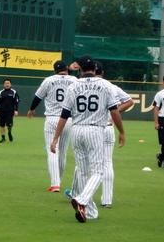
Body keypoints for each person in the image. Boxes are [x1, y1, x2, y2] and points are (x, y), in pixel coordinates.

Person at [50, 55, 125, 223]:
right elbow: (114, 111)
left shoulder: (73, 85)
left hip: (76, 130)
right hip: (95, 130)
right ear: (95, 69)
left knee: (83, 171)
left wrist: (55, 138)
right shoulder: (105, 85)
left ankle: (89, 211)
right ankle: (82, 200)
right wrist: (121, 131)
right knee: (98, 171)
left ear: (81, 69)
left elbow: (64, 115)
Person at [27, 60, 78, 192]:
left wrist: (32, 109)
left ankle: (55, 184)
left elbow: (38, 97)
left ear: (55, 70)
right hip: (68, 119)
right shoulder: (74, 80)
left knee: (52, 151)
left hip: (52, 118)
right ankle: (58, 180)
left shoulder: (49, 80)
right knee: (62, 152)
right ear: (66, 69)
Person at [96, 61, 134, 207]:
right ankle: (107, 200)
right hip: (108, 127)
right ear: (103, 73)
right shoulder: (111, 86)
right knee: (107, 163)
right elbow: (130, 102)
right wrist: (114, 114)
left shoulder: (83, 85)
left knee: (85, 163)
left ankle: (79, 195)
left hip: (92, 128)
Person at [0, 78, 20, 143]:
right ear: (3, 84)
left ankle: (9, 132)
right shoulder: (0, 92)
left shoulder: (14, 92)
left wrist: (16, 110)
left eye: (8, 83)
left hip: (10, 111)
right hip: (2, 111)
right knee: (1, 125)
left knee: (9, 125)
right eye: (6, 83)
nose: (7, 84)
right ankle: (3, 138)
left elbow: (16, 102)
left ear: (10, 84)